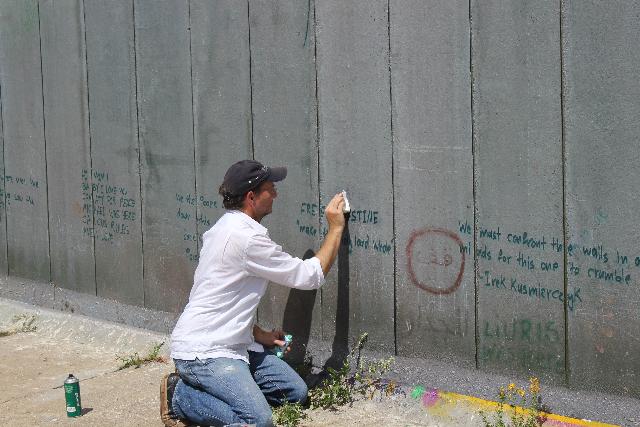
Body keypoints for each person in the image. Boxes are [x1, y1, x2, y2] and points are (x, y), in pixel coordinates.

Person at [160, 159, 346, 427]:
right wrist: (336, 228)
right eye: (271, 188)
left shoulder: (223, 228)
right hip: (205, 352)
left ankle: (219, 389)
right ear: (252, 197)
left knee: (295, 393)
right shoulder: (246, 239)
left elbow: (223, 296)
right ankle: (179, 396)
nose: (276, 194)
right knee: (258, 421)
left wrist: (259, 335)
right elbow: (310, 276)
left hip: (234, 345)